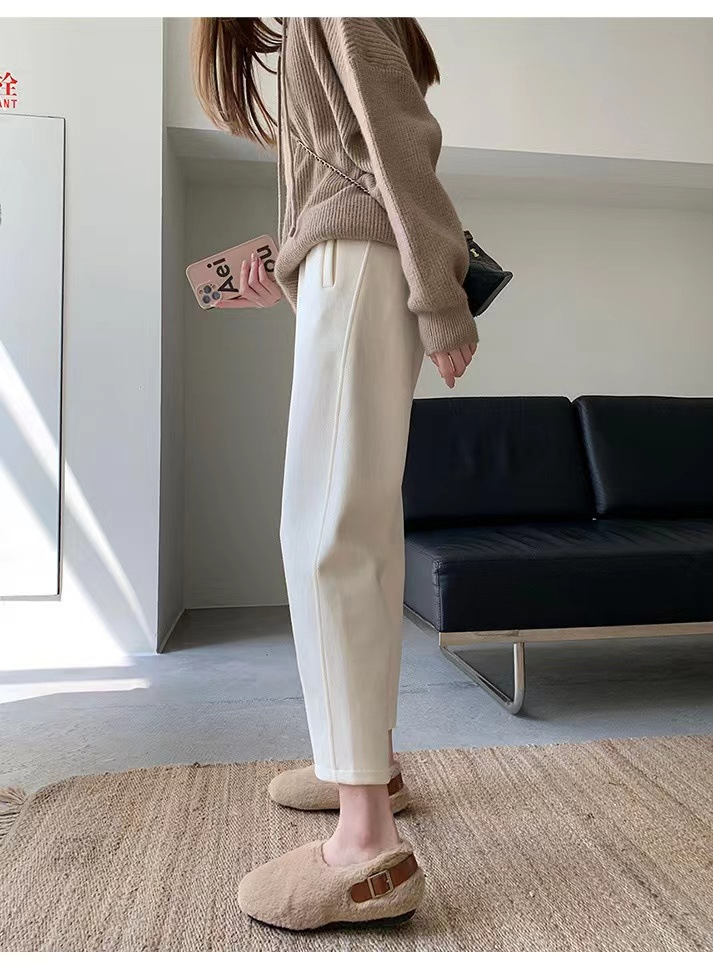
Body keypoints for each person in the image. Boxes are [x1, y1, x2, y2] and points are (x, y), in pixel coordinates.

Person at [193, 16, 478, 931]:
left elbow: (395, 132)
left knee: (327, 533)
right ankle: (366, 768)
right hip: (351, 260)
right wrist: (292, 260)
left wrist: (442, 296)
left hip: (364, 261)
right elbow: (355, 155)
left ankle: (364, 846)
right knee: (356, 526)